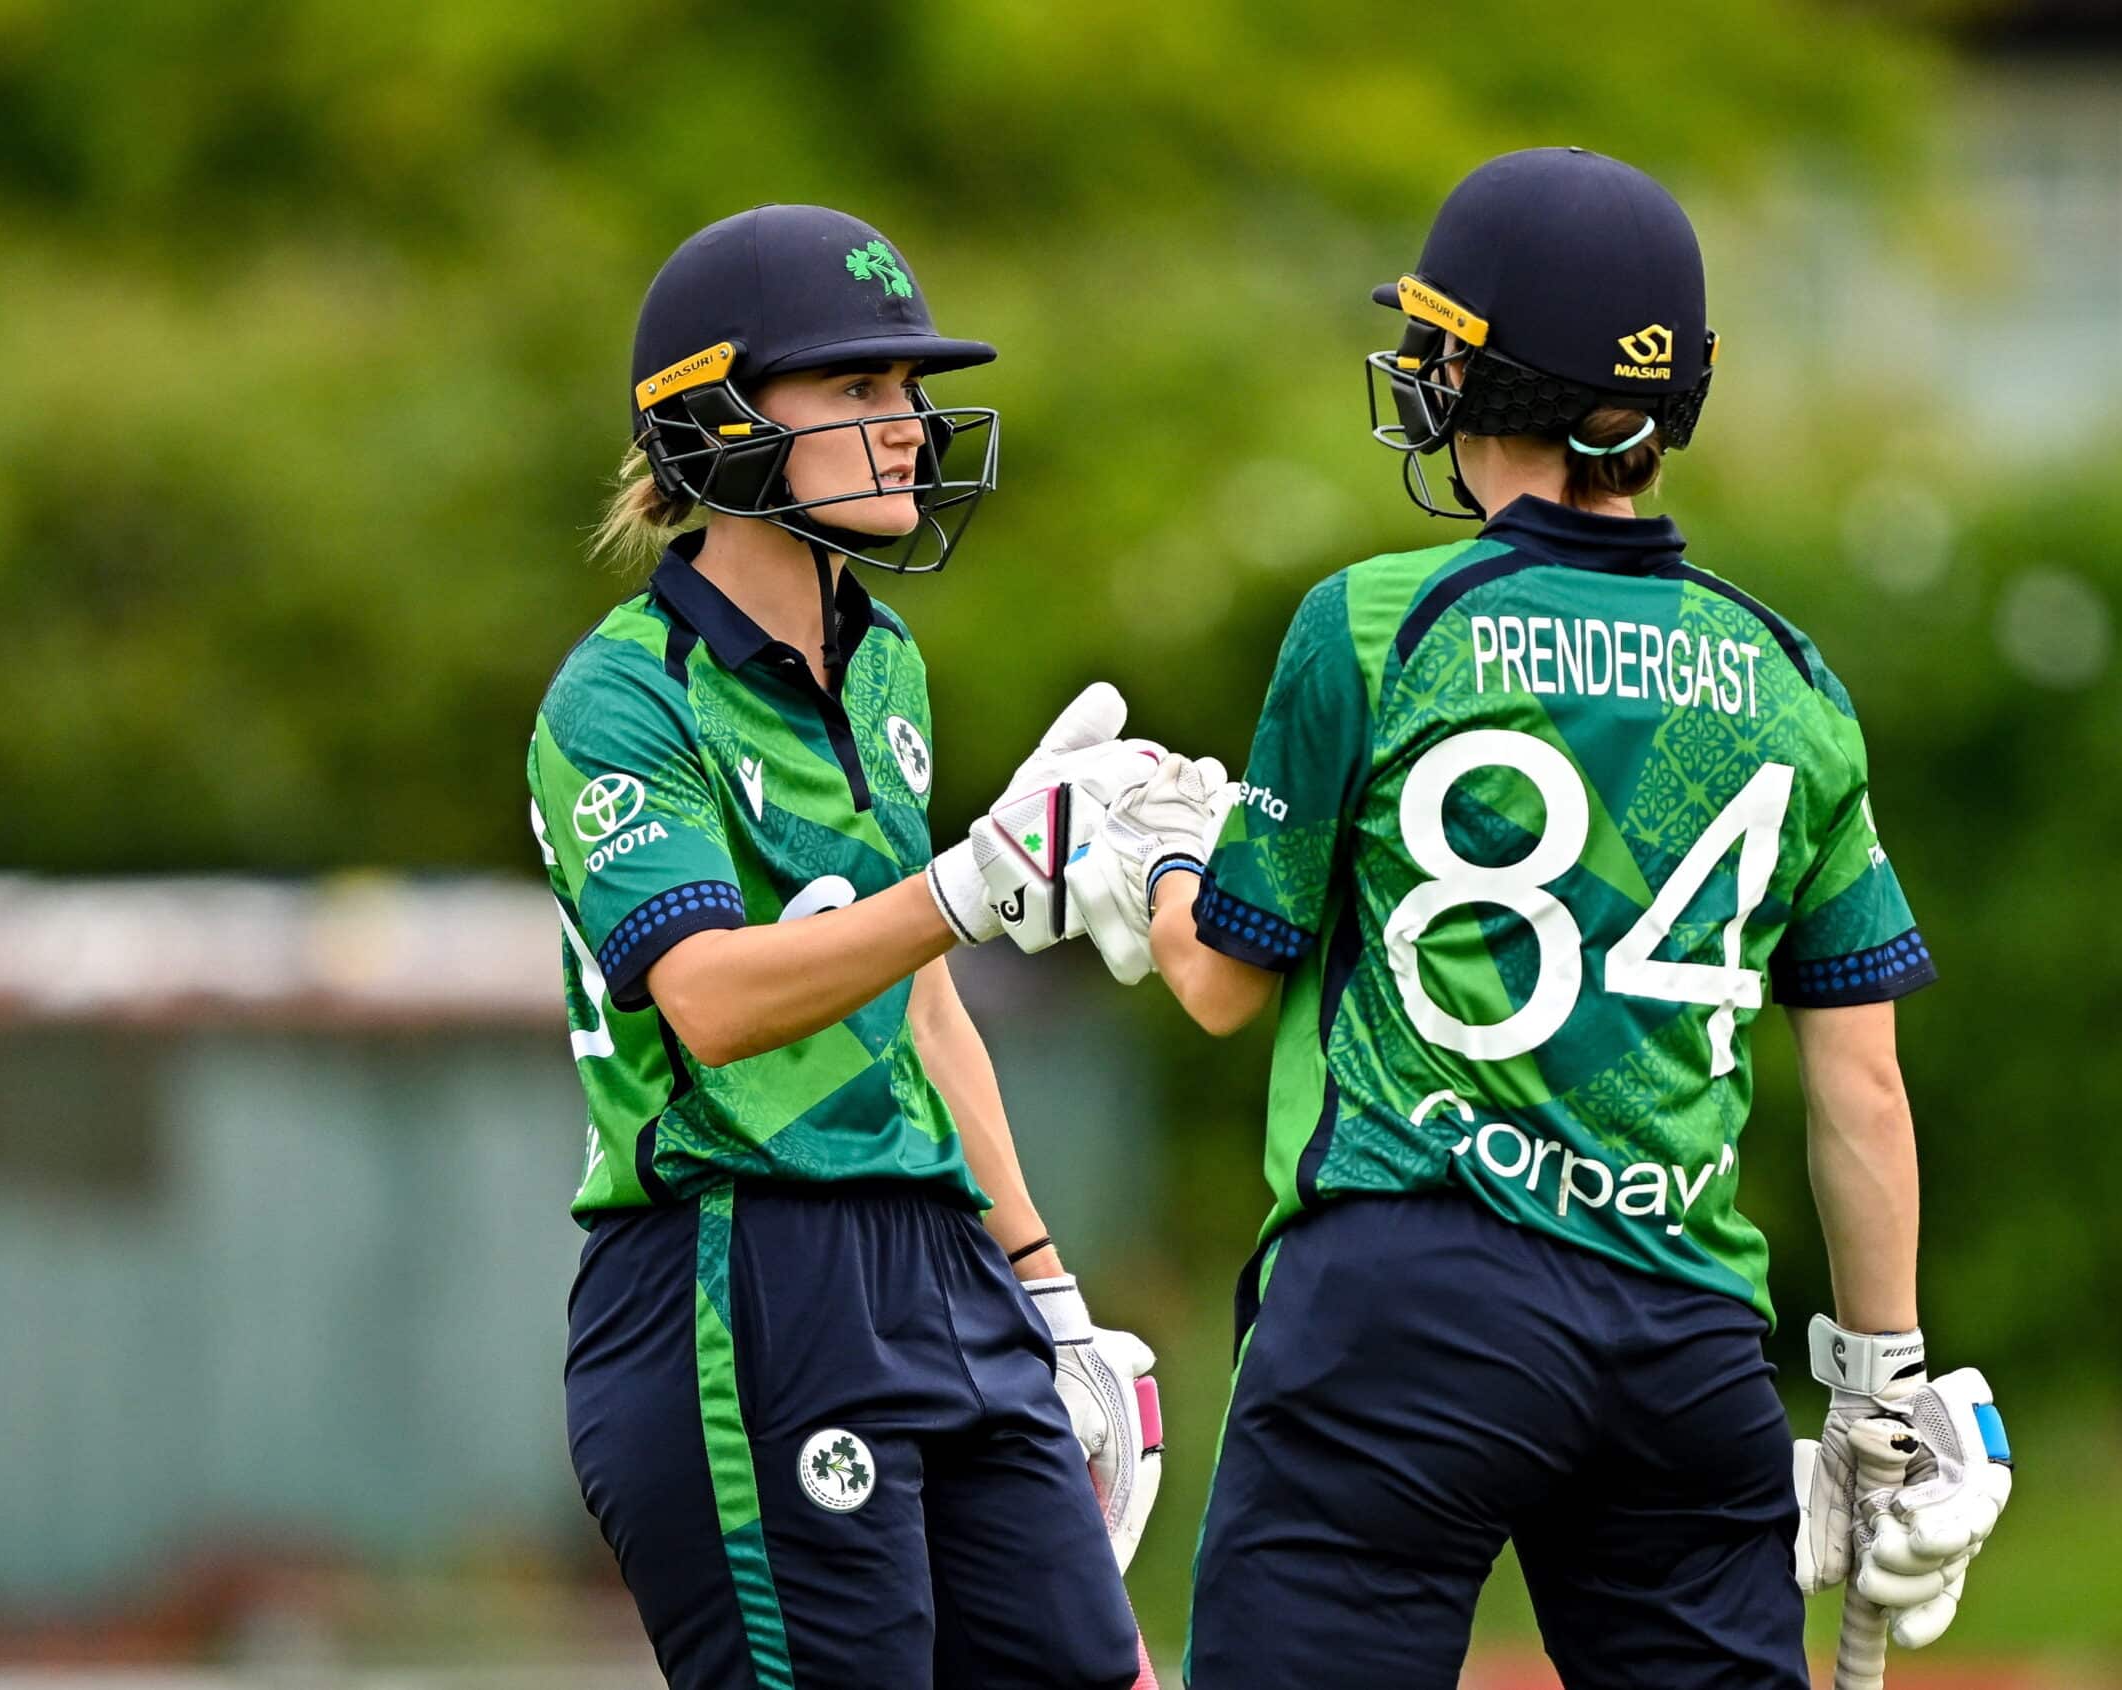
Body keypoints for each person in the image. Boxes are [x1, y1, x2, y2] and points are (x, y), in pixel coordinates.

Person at [1062, 149, 2012, 1688]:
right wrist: (1883, 1389)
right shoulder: (1792, 675)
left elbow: (1225, 983)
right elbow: (1863, 1082)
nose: (1422, 374)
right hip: (1687, 1328)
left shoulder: (1375, 623)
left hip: (1407, 1300)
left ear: (1494, 377)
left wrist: (1161, 848)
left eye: (1442, 345)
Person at [526, 203, 1163, 1690]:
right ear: (721, 424)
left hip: (937, 1261)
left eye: (911, 392)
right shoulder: (619, 698)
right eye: (861, 391)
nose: (911, 427)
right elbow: (713, 1004)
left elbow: (924, 1004)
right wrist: (969, 882)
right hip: (737, 1273)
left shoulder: (882, 660)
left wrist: (1049, 1294)